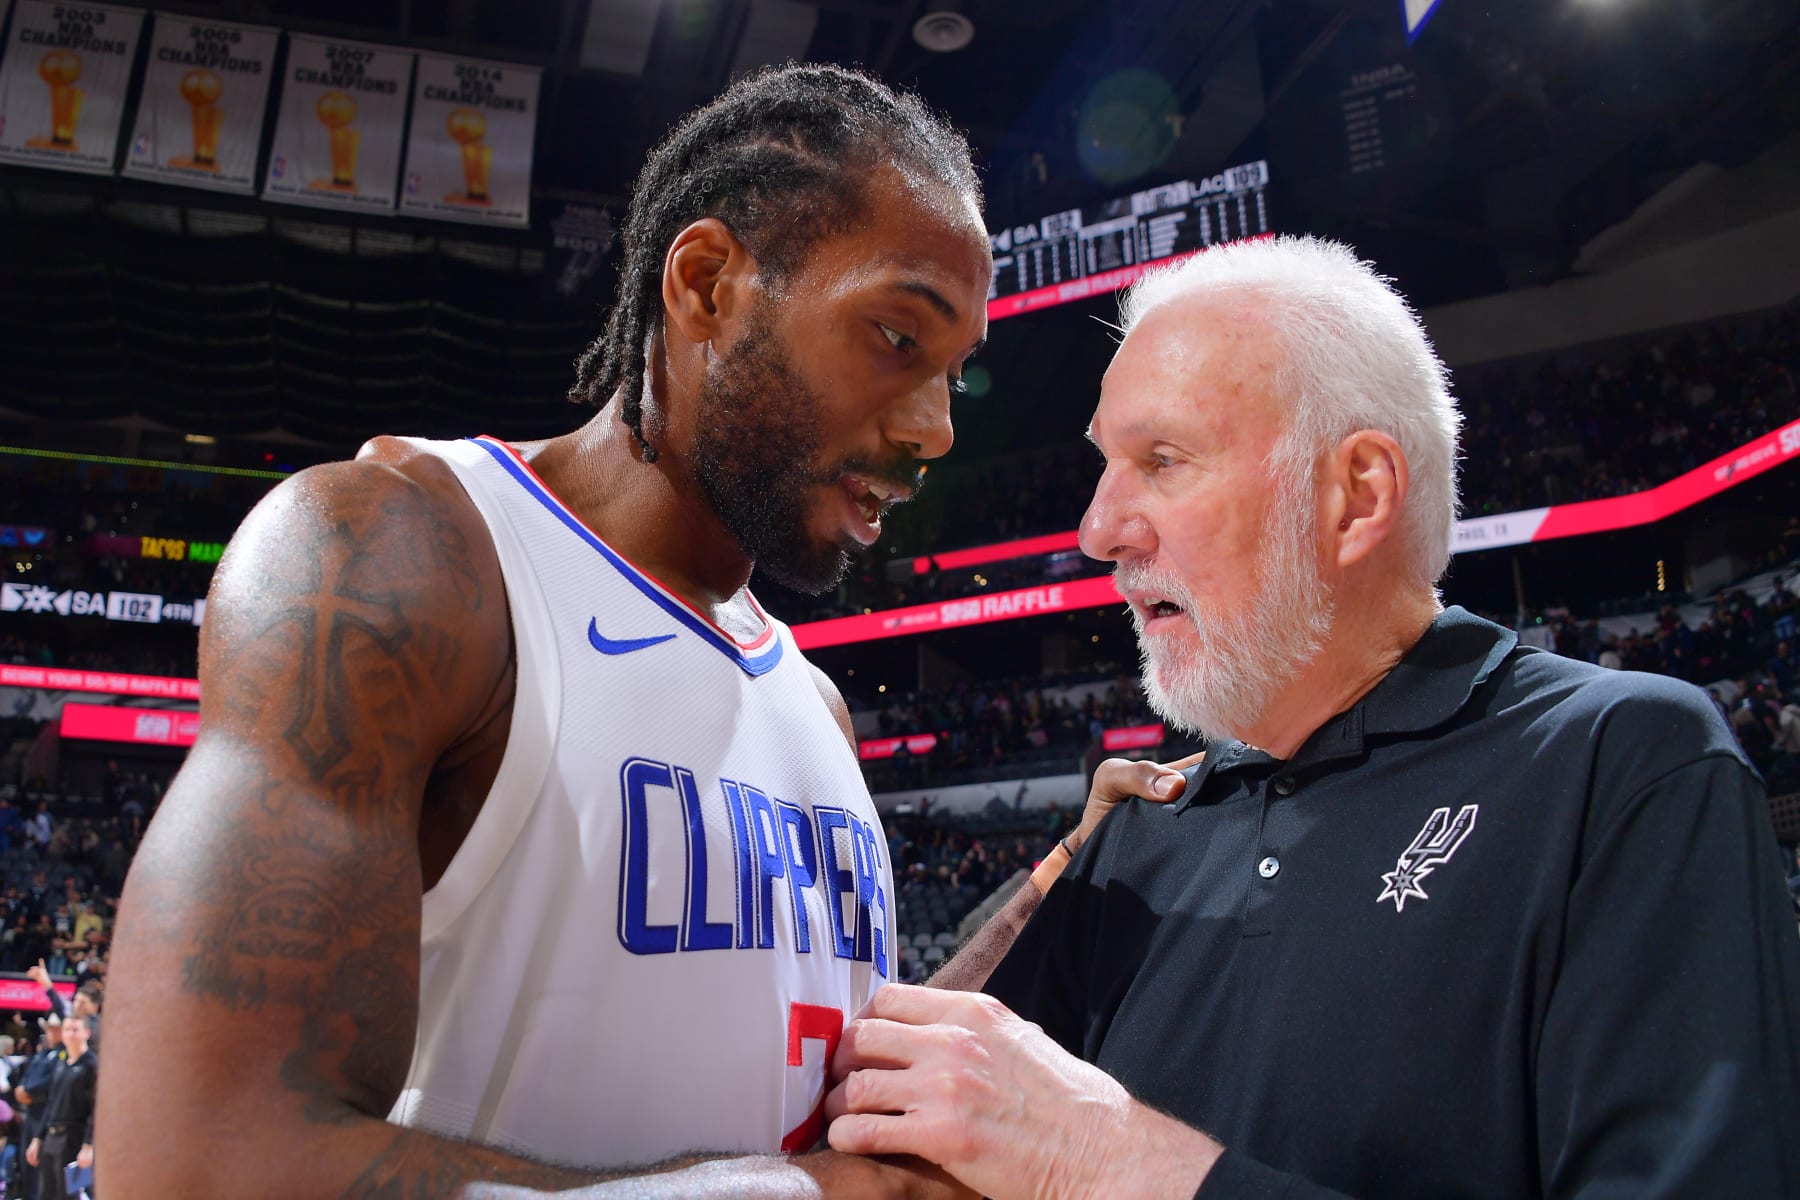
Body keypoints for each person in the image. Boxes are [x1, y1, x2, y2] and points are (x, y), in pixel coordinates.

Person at [100, 64, 992, 1198]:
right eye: (897, 338)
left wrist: (1059, 881)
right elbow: (196, 1166)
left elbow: (833, 1110)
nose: (936, 429)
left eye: (957, 374)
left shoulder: (813, 703)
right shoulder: (401, 558)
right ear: (709, 285)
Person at [826, 236, 1800, 1198]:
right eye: (1106, 466)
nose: (1096, 531)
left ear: (1356, 495)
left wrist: (1113, 1161)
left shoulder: (1622, 766)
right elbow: (896, 1112)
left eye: (1162, 459)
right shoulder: (1141, 836)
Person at [25, 1013, 90, 1200]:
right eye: (67, 1029)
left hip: (74, 1139)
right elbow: (51, 1104)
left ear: (86, 1032)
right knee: (47, 1192)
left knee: (70, 1194)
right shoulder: (61, 1064)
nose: (70, 1034)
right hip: (52, 1139)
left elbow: (94, 1111)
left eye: (75, 1030)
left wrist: (88, 1145)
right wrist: (38, 1138)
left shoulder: (91, 1065)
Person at [15, 1015, 62, 1199]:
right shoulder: (42, 1053)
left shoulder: (62, 1055)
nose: (49, 1032)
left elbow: (51, 1083)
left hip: (45, 1114)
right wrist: (21, 1088)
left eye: (53, 1028)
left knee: (40, 1163)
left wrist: (30, 1091)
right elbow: (29, 1074)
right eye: (48, 1028)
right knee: (26, 1162)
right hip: (31, 1115)